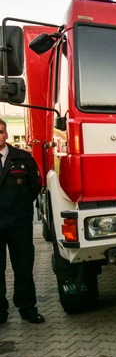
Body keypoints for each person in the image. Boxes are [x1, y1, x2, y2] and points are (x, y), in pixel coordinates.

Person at [0, 119, 44, 325]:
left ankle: (27, 308)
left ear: (6, 135)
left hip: (19, 224)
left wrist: (20, 205)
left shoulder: (23, 158)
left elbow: (35, 186)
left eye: (0, 132)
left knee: (24, 268)